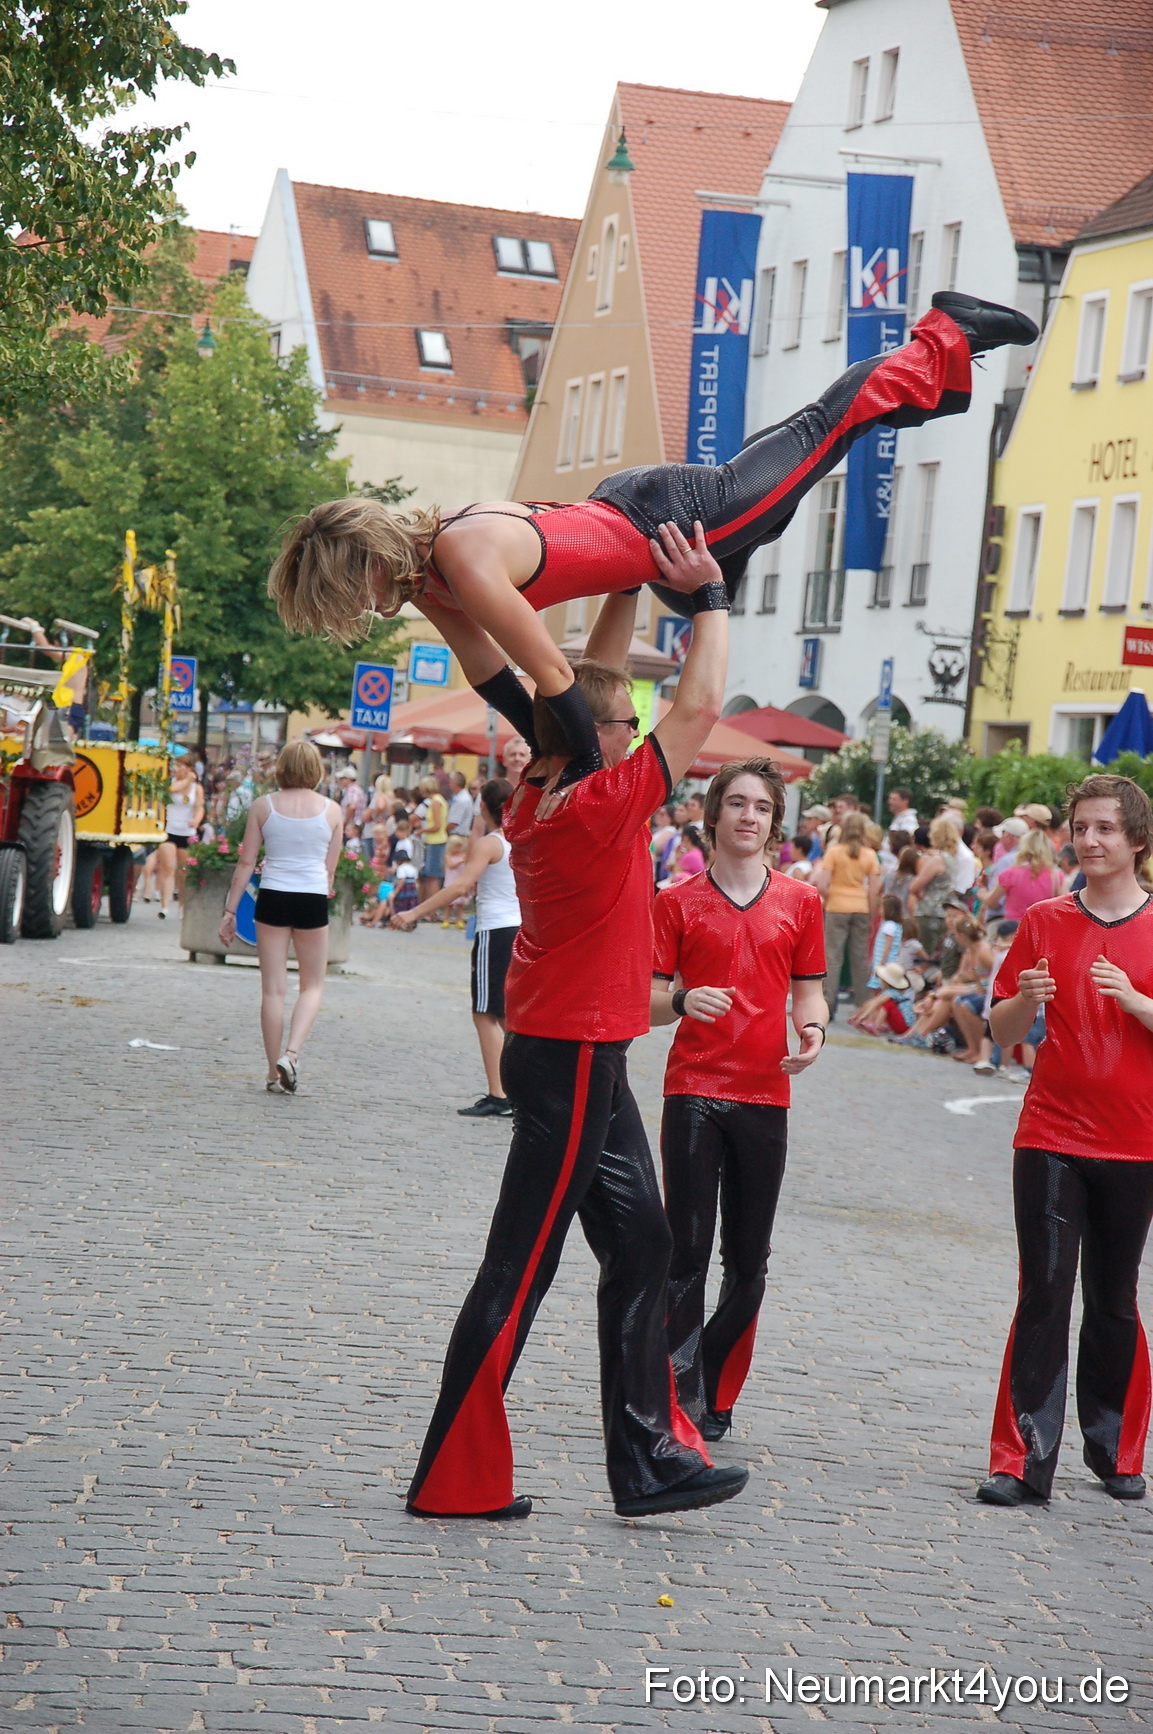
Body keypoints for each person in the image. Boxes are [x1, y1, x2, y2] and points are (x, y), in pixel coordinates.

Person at [270, 295, 1036, 763]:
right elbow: (496, 682)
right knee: (793, 479)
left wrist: (576, 767)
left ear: (368, 558)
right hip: (642, 537)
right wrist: (544, 753)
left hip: (666, 519)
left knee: (818, 431)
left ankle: (945, 333)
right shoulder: (431, 585)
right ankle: (935, 379)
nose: (362, 609)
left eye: (350, 593)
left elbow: (555, 675)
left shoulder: (461, 559)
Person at [405, 532, 749, 1522]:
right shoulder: (602, 803)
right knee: (519, 1264)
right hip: (571, 1056)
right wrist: (709, 599)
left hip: (574, 1052)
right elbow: (698, 707)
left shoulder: (545, 784)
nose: (640, 727)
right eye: (628, 720)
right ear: (604, 736)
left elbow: (582, 683)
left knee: (642, 1246)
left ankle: (648, 1462)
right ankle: (453, 1478)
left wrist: (623, 578)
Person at [979, 774, 1153, 1508]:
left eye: (1104, 828)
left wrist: (1135, 1001)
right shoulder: (1044, 919)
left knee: (1113, 1297)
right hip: (1050, 1132)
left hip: (1136, 1142)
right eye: (1080, 827)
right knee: (1044, 1292)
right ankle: (1021, 1458)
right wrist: (1025, 999)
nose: (1088, 840)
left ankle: (1115, 1448)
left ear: (1136, 839)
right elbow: (1001, 1029)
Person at [651, 757, 826, 1441]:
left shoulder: (800, 903)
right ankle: (679, 1395)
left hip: (764, 1093)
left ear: (774, 822)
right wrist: (681, 1000)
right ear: (714, 814)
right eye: (737, 803)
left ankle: (716, 1386)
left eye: (761, 807)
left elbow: (809, 990)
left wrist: (812, 1032)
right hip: (693, 1089)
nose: (749, 816)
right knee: (686, 1253)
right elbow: (644, 1000)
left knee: (748, 1263)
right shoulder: (675, 902)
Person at [218, 740, 343, 1094]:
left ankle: (273, 1072)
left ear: (282, 768)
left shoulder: (264, 806)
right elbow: (329, 871)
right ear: (317, 770)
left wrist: (230, 910)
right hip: (312, 897)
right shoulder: (332, 811)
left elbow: (246, 862)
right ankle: (292, 1054)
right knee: (312, 985)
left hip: (273, 894)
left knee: (273, 989)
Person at [392, 779, 521, 1118]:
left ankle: (500, 1094)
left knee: (484, 1013)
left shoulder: (491, 843)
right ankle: (523, 1090)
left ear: (483, 808)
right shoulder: (524, 840)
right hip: (519, 930)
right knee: (506, 1016)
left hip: (495, 931)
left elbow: (461, 886)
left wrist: (414, 912)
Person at [812, 811, 881, 1015]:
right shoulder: (869, 854)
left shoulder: (834, 852)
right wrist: (871, 914)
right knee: (859, 958)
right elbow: (874, 889)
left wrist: (831, 897)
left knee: (833, 956)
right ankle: (864, 1005)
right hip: (860, 906)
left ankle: (828, 1003)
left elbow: (822, 884)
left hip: (837, 906)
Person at [156, 757, 204, 920]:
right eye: (174, 766)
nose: (175, 770)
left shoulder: (196, 788)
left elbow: (199, 807)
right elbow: (171, 789)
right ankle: (165, 906)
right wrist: (187, 780)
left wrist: (196, 820)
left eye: (179, 766)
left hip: (186, 832)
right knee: (168, 867)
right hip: (169, 830)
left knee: (183, 872)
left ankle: (182, 905)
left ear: (188, 769)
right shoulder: (171, 783)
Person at [907, 818, 960, 957]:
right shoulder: (952, 859)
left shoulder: (938, 859)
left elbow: (914, 886)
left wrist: (918, 890)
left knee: (924, 954)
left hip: (928, 912)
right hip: (943, 911)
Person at [989, 828, 1063, 920]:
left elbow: (992, 902)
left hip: (1015, 925)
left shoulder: (1010, 873)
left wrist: (981, 891)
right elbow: (1064, 905)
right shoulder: (1056, 876)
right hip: (1043, 924)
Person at [415, 775, 449, 903]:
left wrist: (422, 831)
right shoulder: (439, 800)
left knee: (432, 876)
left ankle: (434, 906)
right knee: (429, 875)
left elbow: (437, 825)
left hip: (435, 841)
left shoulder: (435, 802)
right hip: (434, 841)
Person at [446, 771, 474, 839]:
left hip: (457, 836)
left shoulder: (461, 800)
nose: (449, 785)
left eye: (451, 782)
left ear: (455, 783)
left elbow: (454, 823)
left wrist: (443, 831)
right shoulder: (460, 797)